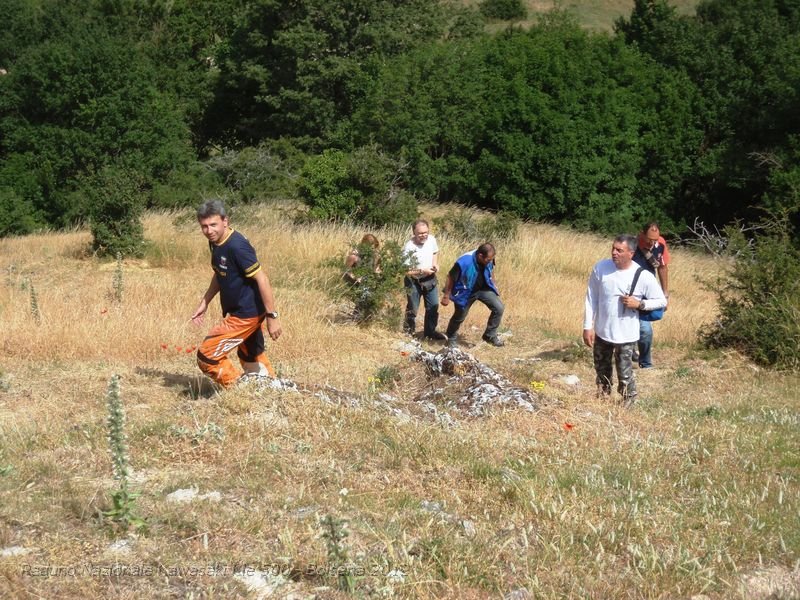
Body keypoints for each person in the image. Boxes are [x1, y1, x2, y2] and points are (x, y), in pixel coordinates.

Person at [190, 200, 282, 387]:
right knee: (250, 354)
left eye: (213, 225)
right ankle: (269, 389)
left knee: (207, 355)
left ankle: (238, 389)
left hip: (246, 314)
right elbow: (220, 272)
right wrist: (205, 301)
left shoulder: (237, 247)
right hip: (241, 311)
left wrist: (272, 317)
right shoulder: (216, 242)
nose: (209, 231)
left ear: (225, 221)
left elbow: (262, 279)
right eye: (204, 226)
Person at [583, 234, 667, 407]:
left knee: (625, 372)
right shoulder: (601, 267)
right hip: (602, 330)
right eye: (613, 248)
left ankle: (629, 401)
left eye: (619, 250)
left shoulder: (642, 275)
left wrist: (640, 304)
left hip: (626, 334)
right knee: (601, 368)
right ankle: (603, 397)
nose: (614, 253)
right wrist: (587, 326)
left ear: (631, 253)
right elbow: (591, 297)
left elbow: (661, 301)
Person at [441, 243, 505, 347]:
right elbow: (450, 277)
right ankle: (451, 337)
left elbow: (491, 269)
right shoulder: (464, 262)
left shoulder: (488, 258)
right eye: (488, 259)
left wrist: (494, 284)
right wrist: (446, 296)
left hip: (483, 288)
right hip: (465, 291)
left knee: (499, 308)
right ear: (480, 255)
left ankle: (490, 335)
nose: (490, 261)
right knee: (460, 316)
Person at [632, 222, 671, 369]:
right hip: (630, 291)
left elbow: (662, 267)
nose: (652, 242)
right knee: (635, 325)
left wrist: (665, 294)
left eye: (655, 239)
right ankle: (634, 355)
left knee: (645, 329)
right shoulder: (632, 244)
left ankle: (645, 363)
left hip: (647, 291)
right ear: (642, 234)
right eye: (649, 239)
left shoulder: (660, 244)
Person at [403, 220, 447, 341]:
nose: (424, 235)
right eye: (420, 233)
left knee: (433, 306)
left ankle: (430, 332)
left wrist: (435, 265)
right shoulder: (409, 247)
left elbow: (435, 252)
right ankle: (408, 332)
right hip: (413, 281)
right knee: (413, 308)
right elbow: (405, 270)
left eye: (426, 232)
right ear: (414, 233)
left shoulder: (431, 239)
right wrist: (422, 271)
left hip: (430, 279)